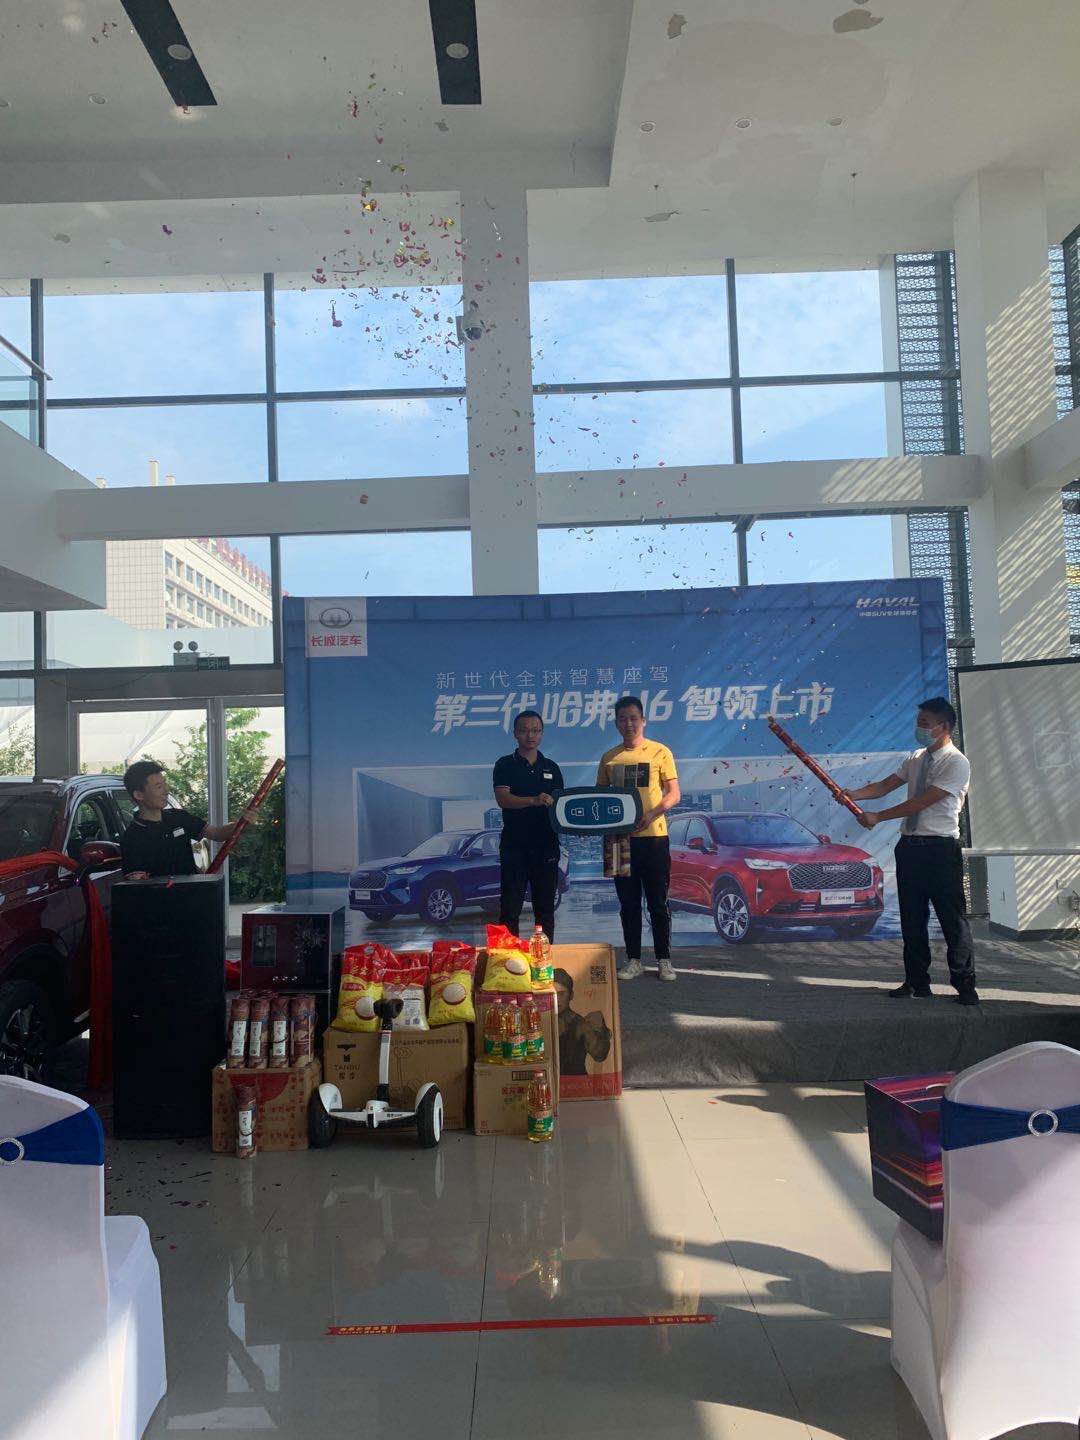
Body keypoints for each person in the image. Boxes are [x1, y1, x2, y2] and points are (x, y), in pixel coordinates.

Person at [842, 697, 978, 1006]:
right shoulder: (916, 757)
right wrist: (853, 794)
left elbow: (921, 802)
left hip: (940, 851)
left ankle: (965, 985)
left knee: (952, 920)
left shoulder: (957, 762)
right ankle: (917, 982)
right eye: (918, 723)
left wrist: (878, 817)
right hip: (910, 849)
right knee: (912, 920)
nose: (920, 729)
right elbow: (884, 785)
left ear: (944, 726)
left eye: (925, 724)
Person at [597, 696, 681, 982]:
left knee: (658, 902)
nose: (629, 723)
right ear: (616, 723)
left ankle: (664, 960)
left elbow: (674, 794)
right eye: (623, 718)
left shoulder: (660, 752)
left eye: (634, 718)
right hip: (618, 842)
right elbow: (600, 798)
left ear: (643, 721)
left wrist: (652, 814)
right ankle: (633, 960)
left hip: (654, 838)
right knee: (628, 904)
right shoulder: (609, 757)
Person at [493, 711, 565, 941]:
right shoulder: (505, 764)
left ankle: (545, 957)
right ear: (515, 733)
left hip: (546, 847)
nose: (530, 735)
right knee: (510, 908)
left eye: (536, 730)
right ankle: (508, 960)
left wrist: (578, 828)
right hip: (515, 847)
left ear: (542, 733)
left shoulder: (551, 767)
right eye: (524, 730)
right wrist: (533, 800)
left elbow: (560, 807)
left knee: (545, 910)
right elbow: (503, 799)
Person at [119, 759, 255, 879]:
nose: (166, 791)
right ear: (139, 795)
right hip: (161, 899)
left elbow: (217, 834)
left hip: (192, 895)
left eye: (165, 784)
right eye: (159, 787)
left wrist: (242, 823)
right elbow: (137, 884)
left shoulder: (179, 817)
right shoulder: (132, 838)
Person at [553, 967, 612, 1076]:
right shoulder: (538, 1021)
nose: (556, 999)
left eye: (561, 994)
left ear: (571, 995)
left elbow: (599, 1055)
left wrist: (601, 1030)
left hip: (577, 1083)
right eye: (552, 994)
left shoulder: (581, 1024)